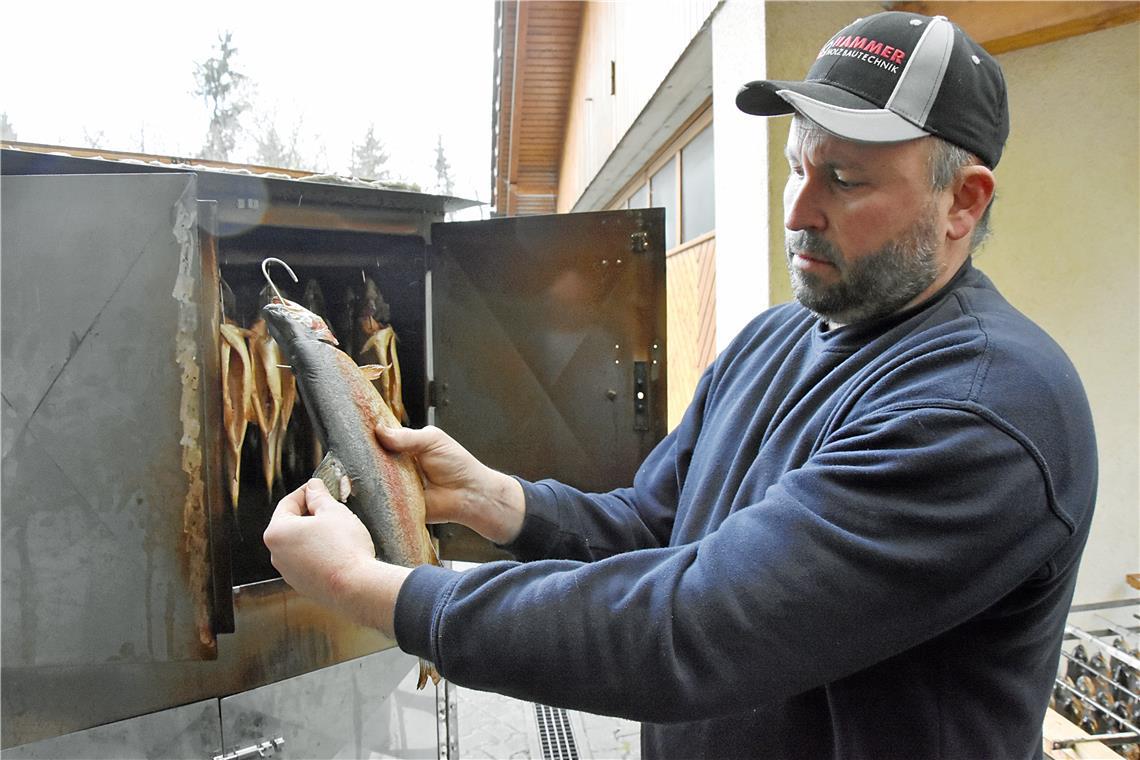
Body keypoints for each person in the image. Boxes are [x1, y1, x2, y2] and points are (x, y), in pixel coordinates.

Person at [265, 11, 1097, 759]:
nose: (799, 209)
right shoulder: (777, 338)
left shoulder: (982, 408)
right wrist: (495, 499)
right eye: (795, 166)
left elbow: (693, 630)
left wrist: (375, 589)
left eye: (846, 180)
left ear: (964, 201)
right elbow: (657, 524)